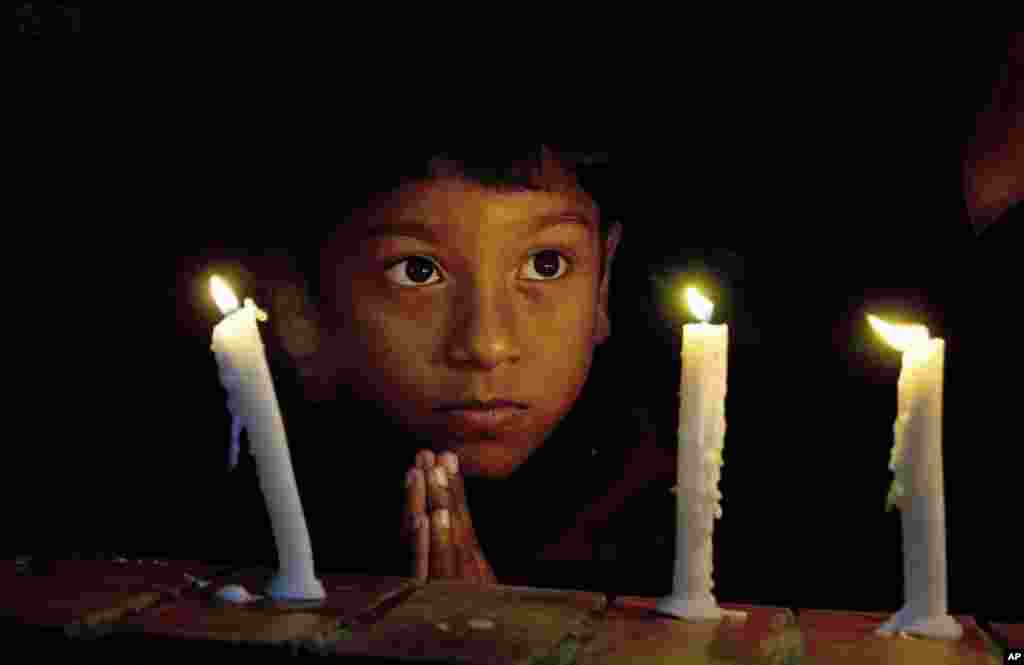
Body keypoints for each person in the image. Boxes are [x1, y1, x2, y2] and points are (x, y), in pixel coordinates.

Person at [293, 144, 675, 589]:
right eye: (417, 271)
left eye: (545, 264)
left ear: (602, 287)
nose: (486, 346)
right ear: (315, 297)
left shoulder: (671, 517)